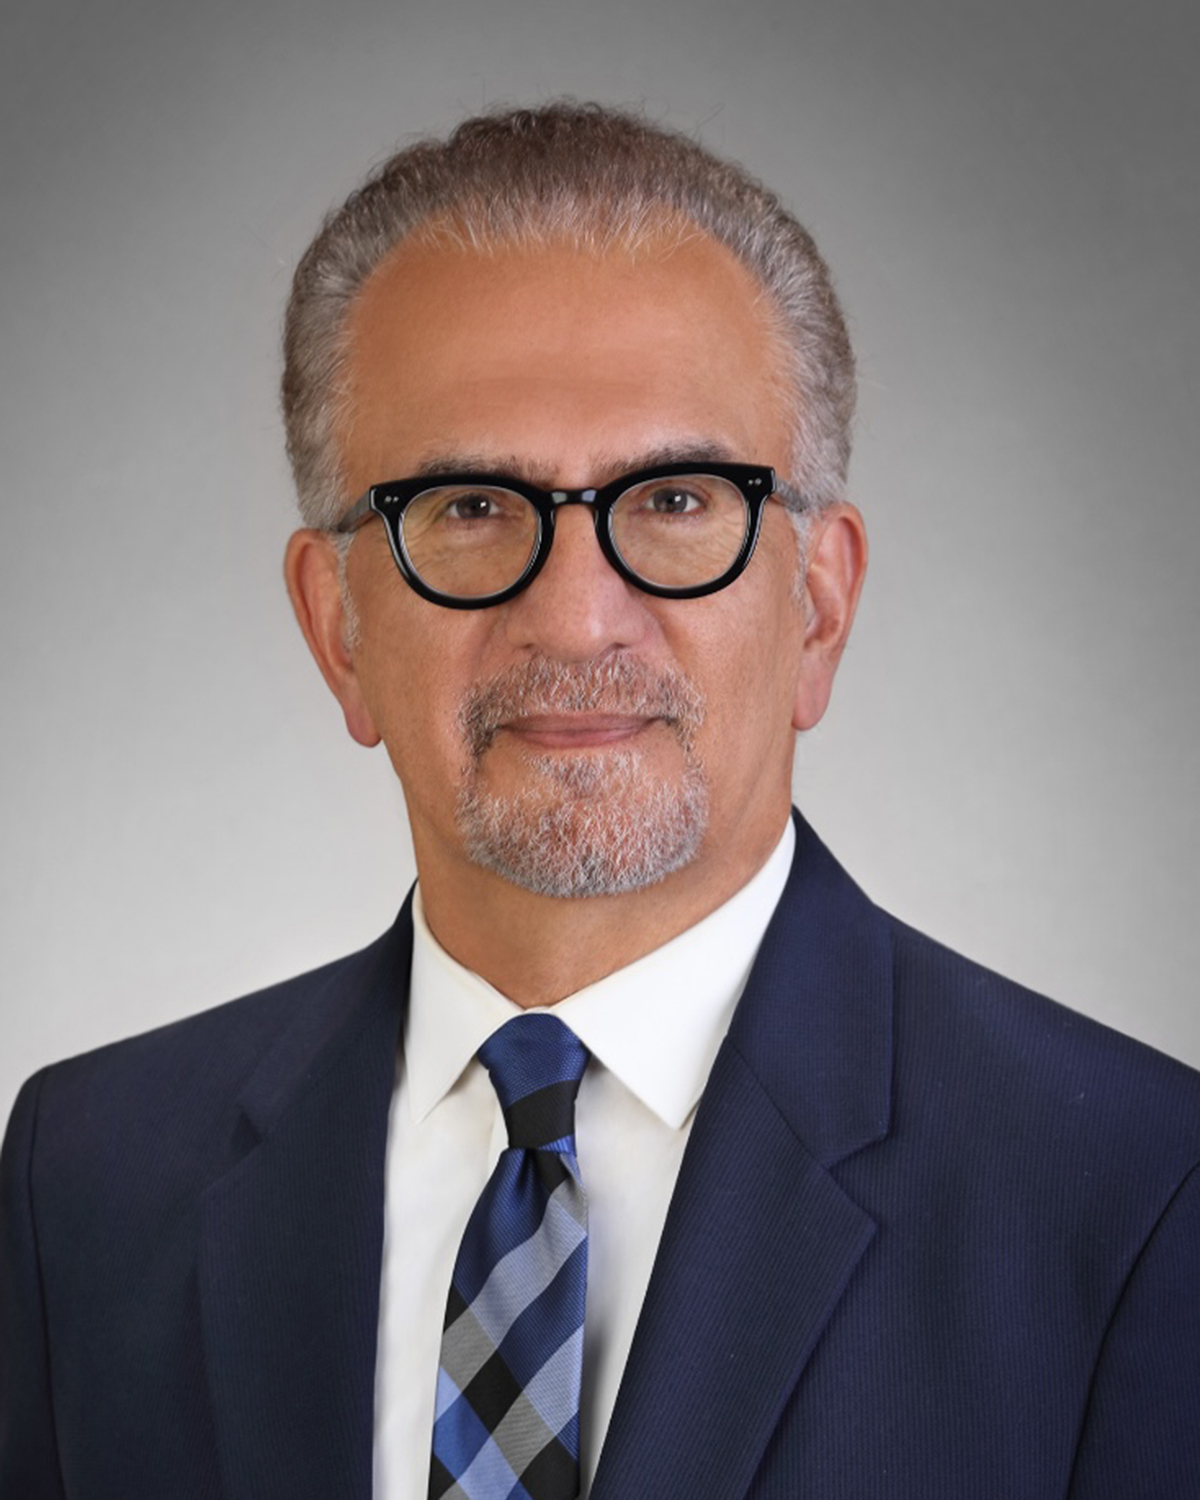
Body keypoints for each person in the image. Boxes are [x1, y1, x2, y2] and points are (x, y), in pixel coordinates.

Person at [2, 102, 1198, 1500]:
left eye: (677, 500)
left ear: (818, 608)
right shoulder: (87, 1180)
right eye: (468, 507)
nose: (576, 618)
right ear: (338, 629)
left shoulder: (1137, 1196)